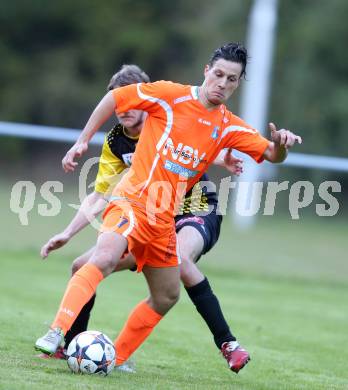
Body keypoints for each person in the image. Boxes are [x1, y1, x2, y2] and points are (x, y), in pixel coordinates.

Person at [35, 43, 301, 374]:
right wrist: (82, 140)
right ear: (206, 71)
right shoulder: (168, 95)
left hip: (165, 219)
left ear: (237, 83)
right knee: (100, 258)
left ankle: (114, 358)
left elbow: (271, 155)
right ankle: (57, 331)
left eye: (231, 79)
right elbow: (113, 99)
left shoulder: (230, 126)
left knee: (166, 295)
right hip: (131, 202)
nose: (222, 83)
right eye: (218, 74)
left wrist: (280, 146)